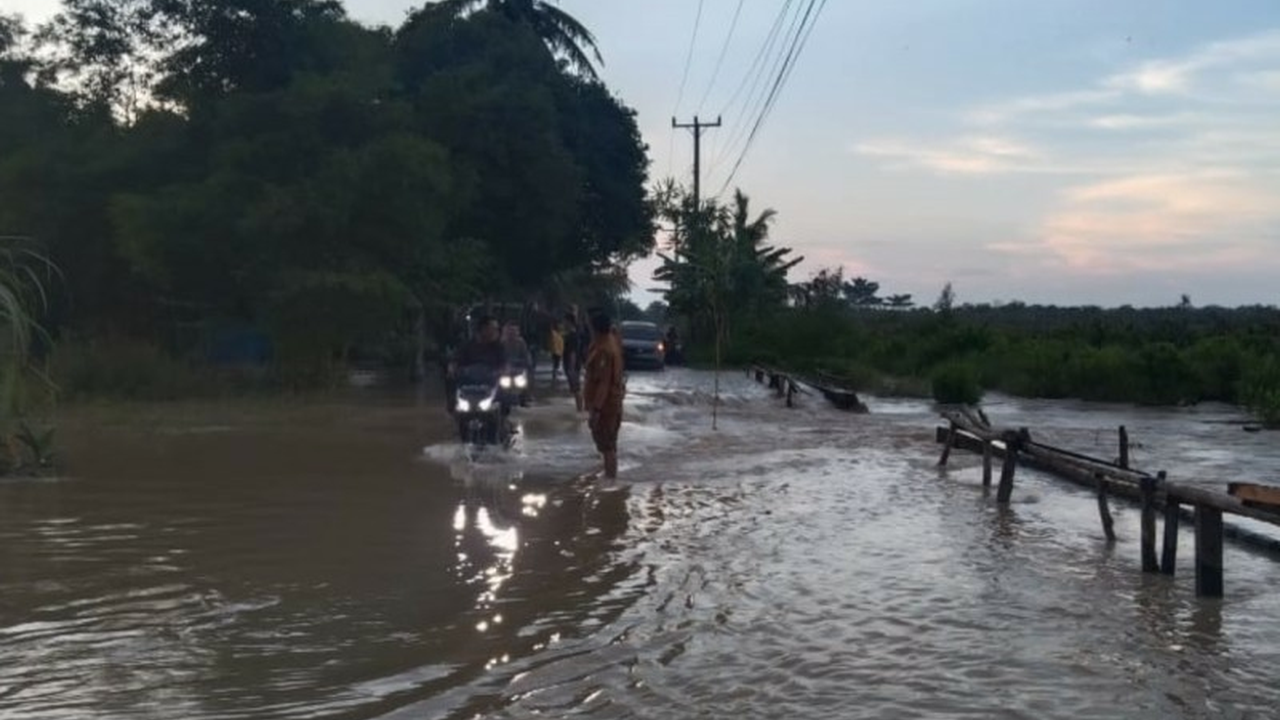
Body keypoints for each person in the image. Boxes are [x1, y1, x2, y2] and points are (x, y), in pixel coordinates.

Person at [583, 311, 625, 479]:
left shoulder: (604, 350)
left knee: (607, 446)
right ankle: (610, 476)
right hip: (612, 402)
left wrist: (597, 410)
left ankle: (610, 482)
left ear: (595, 328)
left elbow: (603, 383)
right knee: (609, 444)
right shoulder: (609, 342)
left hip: (606, 405)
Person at [446, 316, 506, 412]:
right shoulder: (467, 345)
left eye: (497, 329)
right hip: (468, 382)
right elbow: (455, 360)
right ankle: (452, 407)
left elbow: (504, 364)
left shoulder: (499, 348)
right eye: (493, 329)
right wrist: (452, 369)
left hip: (491, 384)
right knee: (450, 380)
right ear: (483, 329)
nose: (496, 332)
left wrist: (502, 372)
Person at [561, 311, 584, 412]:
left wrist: (571, 367)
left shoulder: (572, 336)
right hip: (572, 365)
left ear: (569, 322)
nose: (563, 323)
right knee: (575, 388)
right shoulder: (572, 334)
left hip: (572, 366)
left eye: (564, 321)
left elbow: (573, 353)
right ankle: (579, 408)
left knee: (576, 388)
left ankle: (580, 410)